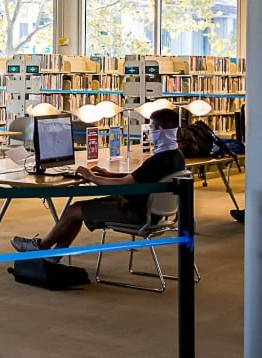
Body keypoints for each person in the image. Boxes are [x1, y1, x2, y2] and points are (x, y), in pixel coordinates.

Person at [11, 107, 184, 254]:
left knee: (74, 211)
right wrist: (106, 174)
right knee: (76, 211)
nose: (149, 132)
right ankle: (53, 256)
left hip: (135, 213)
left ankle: (40, 247)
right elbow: (136, 178)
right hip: (153, 213)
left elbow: (125, 184)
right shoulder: (176, 156)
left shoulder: (158, 160)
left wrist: (92, 177)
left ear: (160, 129)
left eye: (151, 128)